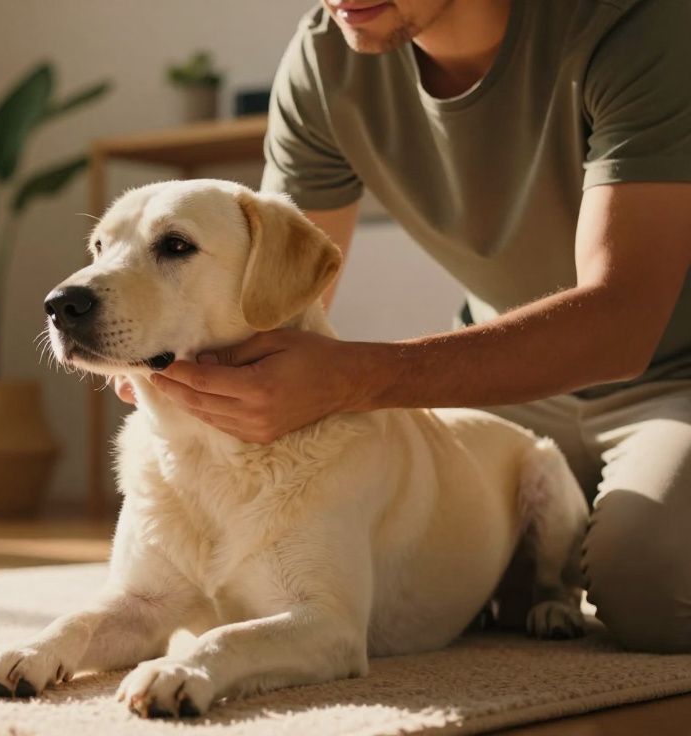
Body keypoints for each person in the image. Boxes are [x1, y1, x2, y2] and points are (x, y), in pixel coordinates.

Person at [120, 0, 691, 652]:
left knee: (651, 588)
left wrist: (356, 376)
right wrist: (167, 349)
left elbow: (623, 321)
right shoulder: (326, 58)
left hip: (672, 380)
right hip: (504, 389)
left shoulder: (637, 22)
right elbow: (272, 303)